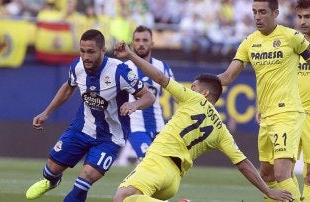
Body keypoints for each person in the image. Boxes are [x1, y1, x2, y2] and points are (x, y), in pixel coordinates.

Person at [111, 41, 294, 202]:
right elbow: (244, 163)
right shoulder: (221, 130)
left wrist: (131, 55)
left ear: (204, 93)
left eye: (194, 87)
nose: (190, 88)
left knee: (122, 198)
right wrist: (267, 190)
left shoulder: (193, 99)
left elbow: (159, 77)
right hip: (174, 180)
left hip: (158, 162)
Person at [25, 29, 155, 202]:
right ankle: (51, 182)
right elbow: (68, 87)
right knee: (51, 170)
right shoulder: (77, 66)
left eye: (91, 52)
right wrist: (46, 112)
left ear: (103, 50)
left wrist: (134, 104)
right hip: (81, 129)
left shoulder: (120, 71)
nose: (85, 56)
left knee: (83, 182)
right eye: (82, 51)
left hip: (110, 138)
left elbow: (149, 96)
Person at [217, 0, 310, 201]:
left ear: (275, 13)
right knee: (266, 175)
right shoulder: (249, 42)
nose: (257, 17)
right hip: (266, 116)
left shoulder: (291, 37)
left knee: (282, 173)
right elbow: (227, 77)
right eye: (254, 12)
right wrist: (204, 84)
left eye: (262, 12)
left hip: (289, 113)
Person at [125, 25, 174, 160]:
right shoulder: (125, 68)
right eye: (137, 40)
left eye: (145, 40)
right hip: (136, 127)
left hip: (159, 127)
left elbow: (176, 94)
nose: (141, 44)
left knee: (166, 166)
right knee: (149, 160)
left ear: (152, 43)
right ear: (132, 43)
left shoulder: (162, 67)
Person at [295, 0, 310, 201]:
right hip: (289, 114)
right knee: (273, 172)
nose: (303, 22)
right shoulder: (292, 42)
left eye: (307, 17)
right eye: (299, 17)